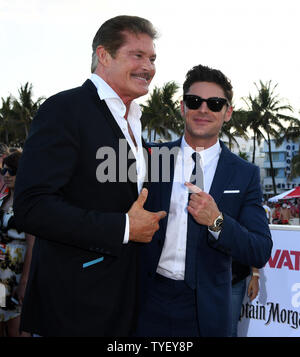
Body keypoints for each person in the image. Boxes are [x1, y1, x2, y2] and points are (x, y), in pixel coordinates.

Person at [13, 15, 166, 337]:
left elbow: (120, 194)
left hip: (128, 301)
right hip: (76, 304)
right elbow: (32, 207)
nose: (148, 67)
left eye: (152, 58)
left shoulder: (134, 121)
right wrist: (124, 227)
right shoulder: (63, 110)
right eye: (136, 55)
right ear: (103, 56)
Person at [135, 64, 272, 337]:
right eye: (194, 101)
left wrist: (217, 222)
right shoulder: (154, 158)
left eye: (215, 103)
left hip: (206, 310)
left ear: (227, 112)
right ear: (183, 107)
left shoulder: (243, 174)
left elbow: (259, 249)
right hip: (147, 299)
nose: (203, 110)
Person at [0, 151, 34, 337]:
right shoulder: (2, 201)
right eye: (4, 170)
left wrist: (24, 281)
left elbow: (32, 244)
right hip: (1, 273)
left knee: (15, 326)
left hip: (17, 272)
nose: (6, 175)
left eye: (12, 171)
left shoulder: (27, 204)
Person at [231, 262, 260, 337]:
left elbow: (252, 250)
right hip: (208, 278)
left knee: (230, 331)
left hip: (236, 279)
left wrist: (255, 275)